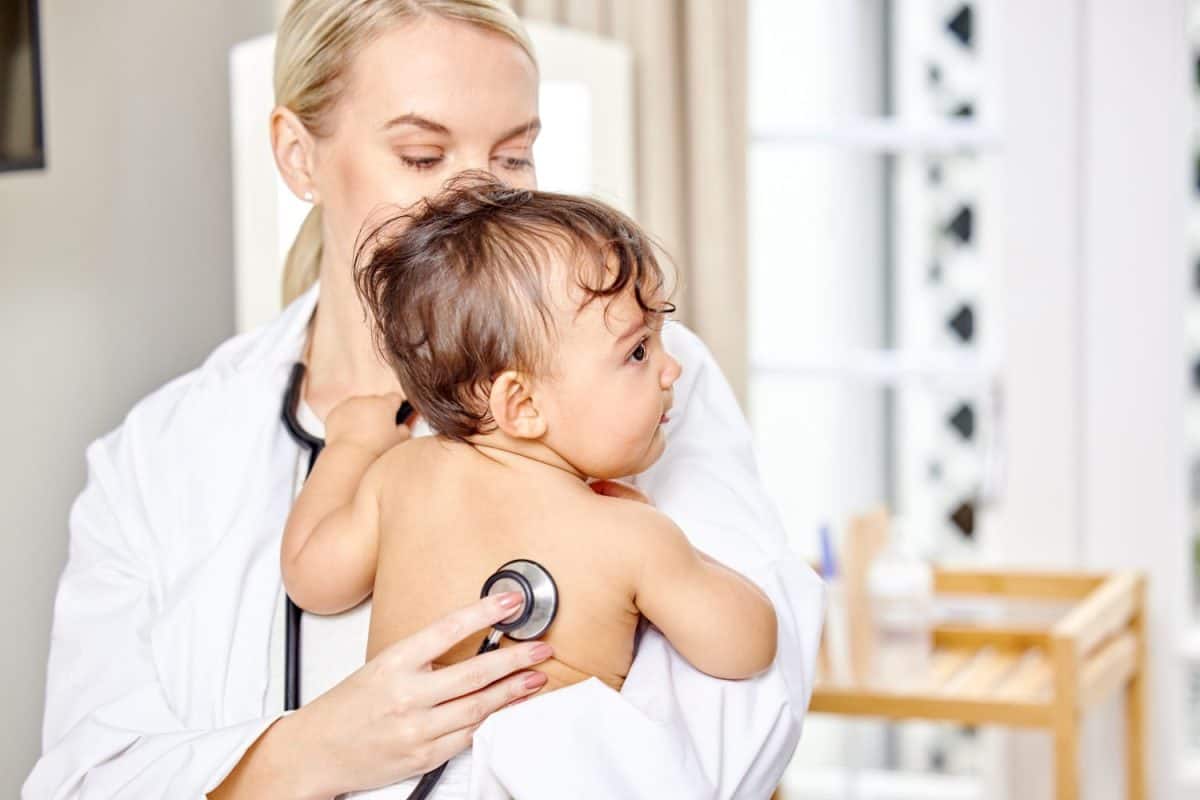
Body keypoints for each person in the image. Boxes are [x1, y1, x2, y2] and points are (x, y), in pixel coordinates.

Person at [23, 1, 822, 798]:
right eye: (421, 155)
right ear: (298, 157)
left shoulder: (637, 383)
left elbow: (748, 703)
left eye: (514, 158)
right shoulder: (163, 453)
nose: (478, 197)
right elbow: (81, 779)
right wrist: (316, 750)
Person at [281, 177, 780, 796]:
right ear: (520, 403)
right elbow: (749, 645)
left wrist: (351, 445)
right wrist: (677, 547)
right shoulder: (628, 535)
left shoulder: (400, 475)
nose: (671, 368)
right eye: (637, 352)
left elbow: (311, 577)